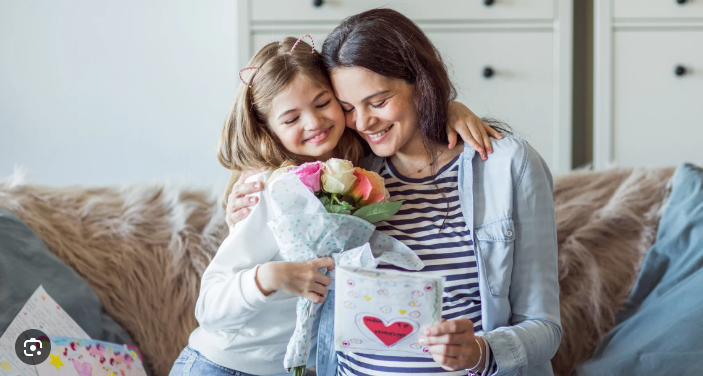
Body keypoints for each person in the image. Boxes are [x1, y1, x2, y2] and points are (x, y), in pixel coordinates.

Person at [228, 9, 561, 376]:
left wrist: (481, 351)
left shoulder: (508, 166)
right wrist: (235, 211)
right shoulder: (342, 172)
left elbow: (545, 327)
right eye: (347, 108)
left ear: (421, 81)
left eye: (379, 101)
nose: (364, 122)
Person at [170, 34, 499, 376]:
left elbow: (396, 117)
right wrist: (268, 277)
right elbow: (209, 306)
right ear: (268, 128)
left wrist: (447, 109)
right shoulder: (269, 189)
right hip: (222, 365)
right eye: (291, 118)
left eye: (323, 103)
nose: (314, 123)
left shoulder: (361, 165)